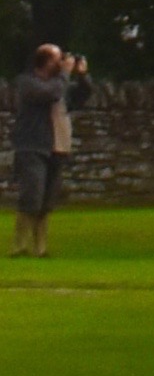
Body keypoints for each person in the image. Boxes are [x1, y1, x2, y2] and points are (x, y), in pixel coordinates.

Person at [10, 43, 82, 256]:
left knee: (47, 200)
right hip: (33, 145)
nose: (61, 63)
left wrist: (83, 76)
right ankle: (19, 245)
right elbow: (50, 94)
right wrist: (66, 74)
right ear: (46, 61)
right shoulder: (27, 82)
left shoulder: (60, 83)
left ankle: (41, 248)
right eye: (58, 58)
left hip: (57, 146)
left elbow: (81, 96)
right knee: (32, 195)